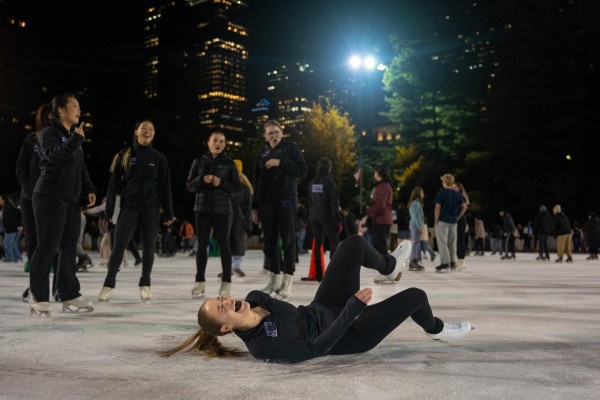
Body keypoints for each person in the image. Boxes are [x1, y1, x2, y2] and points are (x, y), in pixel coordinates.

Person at [157, 235, 472, 363]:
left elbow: (298, 313)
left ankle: (389, 266)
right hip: (349, 334)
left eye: (219, 298)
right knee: (416, 297)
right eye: (220, 308)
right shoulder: (263, 346)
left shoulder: (254, 298)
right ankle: (435, 328)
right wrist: (351, 311)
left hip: (325, 307)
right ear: (225, 329)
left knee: (352, 244)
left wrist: (340, 305)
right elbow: (316, 348)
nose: (225, 299)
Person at [28, 94, 97, 315]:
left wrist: (89, 188)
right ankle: (38, 296)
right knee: (47, 246)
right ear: (60, 110)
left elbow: (80, 167)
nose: (79, 110)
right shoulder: (49, 133)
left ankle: (69, 294)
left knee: (69, 248)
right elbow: (51, 156)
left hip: (71, 199)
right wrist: (76, 140)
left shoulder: (73, 136)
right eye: (74, 106)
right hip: (49, 196)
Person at [99, 119, 173, 303]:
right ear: (136, 132)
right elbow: (113, 184)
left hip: (151, 209)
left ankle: (145, 284)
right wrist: (109, 211)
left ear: (154, 133)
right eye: (143, 128)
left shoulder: (159, 158)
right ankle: (108, 284)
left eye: (151, 129)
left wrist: (169, 213)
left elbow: (166, 187)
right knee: (118, 246)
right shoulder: (124, 155)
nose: (147, 131)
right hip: (129, 208)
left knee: (149, 248)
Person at [252, 120, 307, 299]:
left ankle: (287, 278)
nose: (274, 135)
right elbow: (256, 181)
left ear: (282, 133)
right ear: (265, 136)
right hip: (266, 202)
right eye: (270, 133)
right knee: (269, 241)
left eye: (276, 132)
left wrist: (280, 162)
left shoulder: (291, 148)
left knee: (288, 239)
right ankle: (274, 278)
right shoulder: (261, 153)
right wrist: (254, 207)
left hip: (287, 200)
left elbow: (302, 170)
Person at [186, 131, 240, 298]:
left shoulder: (230, 163)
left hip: (223, 211)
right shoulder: (199, 161)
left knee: (224, 245)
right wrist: (202, 179)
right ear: (208, 143)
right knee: (202, 246)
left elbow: (237, 189)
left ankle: (226, 282)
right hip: (202, 210)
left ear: (224, 144)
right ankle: (199, 281)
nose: (218, 143)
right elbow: (189, 186)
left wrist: (222, 183)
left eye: (222, 141)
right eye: (215, 140)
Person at [307, 157, 341, 282]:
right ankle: (333, 272)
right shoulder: (329, 183)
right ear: (329, 168)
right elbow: (334, 203)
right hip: (327, 217)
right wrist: (337, 218)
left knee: (317, 244)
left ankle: (319, 273)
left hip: (314, 217)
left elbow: (309, 200)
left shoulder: (312, 183)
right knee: (334, 243)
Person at [433, 174, 466, 272]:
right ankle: (452, 263)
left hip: (443, 221)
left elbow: (437, 208)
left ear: (445, 182)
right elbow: (464, 206)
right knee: (452, 243)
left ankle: (445, 263)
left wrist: (436, 221)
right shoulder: (456, 193)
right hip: (453, 221)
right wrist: (458, 217)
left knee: (443, 243)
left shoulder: (441, 192)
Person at [229, 159, 253, 278]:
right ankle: (227, 268)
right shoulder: (225, 186)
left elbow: (248, 208)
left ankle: (236, 267)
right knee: (227, 244)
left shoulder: (245, 188)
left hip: (239, 220)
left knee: (238, 244)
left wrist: (248, 223)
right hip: (227, 219)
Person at [366, 165, 393, 256]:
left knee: (381, 246)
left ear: (379, 173)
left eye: (375, 171)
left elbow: (380, 205)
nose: (374, 173)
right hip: (379, 219)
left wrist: (368, 211)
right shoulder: (380, 186)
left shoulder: (384, 186)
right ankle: (384, 266)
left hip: (382, 220)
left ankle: (390, 267)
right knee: (377, 246)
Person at [407, 186, 426, 272]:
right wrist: (419, 227)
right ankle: (413, 261)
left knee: (416, 243)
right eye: (422, 193)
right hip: (415, 224)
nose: (423, 194)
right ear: (418, 194)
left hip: (416, 224)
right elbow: (416, 216)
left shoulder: (416, 203)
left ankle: (414, 261)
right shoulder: (415, 203)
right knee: (415, 243)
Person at [0, 194, 22, 263]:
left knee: (7, 243)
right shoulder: (9, 206)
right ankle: (17, 257)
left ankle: (10, 257)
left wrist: (18, 226)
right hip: (12, 227)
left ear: (3, 199)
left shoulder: (7, 207)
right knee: (12, 243)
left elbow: (11, 218)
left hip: (10, 228)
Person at [453, 182, 470, 270]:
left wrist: (457, 218)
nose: (453, 188)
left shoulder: (461, 197)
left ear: (459, 188)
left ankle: (462, 259)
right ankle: (459, 259)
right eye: (452, 187)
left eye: (455, 187)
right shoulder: (454, 196)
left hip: (461, 221)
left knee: (460, 240)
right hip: (455, 220)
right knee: (456, 240)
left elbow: (464, 208)